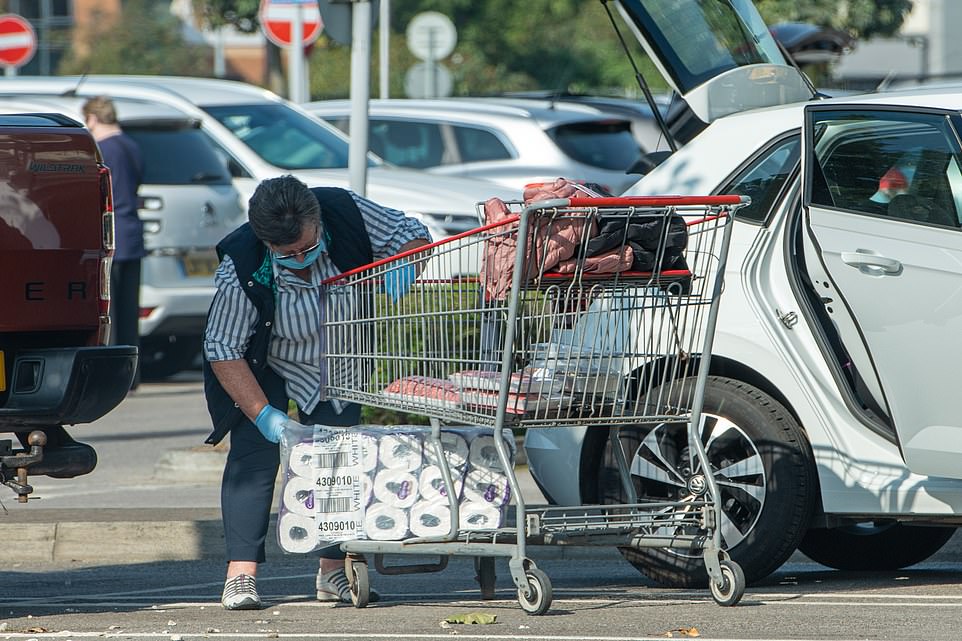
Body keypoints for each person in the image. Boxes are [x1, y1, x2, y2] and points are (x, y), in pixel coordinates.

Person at [203, 175, 431, 610]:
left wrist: (406, 261)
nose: (302, 260)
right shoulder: (241, 263)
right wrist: (262, 413)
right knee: (253, 458)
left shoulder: (345, 211)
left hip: (339, 355)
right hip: (264, 359)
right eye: (287, 255)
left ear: (318, 221)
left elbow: (413, 233)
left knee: (340, 458)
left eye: (309, 247)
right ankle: (241, 575)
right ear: (264, 241)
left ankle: (333, 572)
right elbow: (222, 348)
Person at [83, 96, 145, 389]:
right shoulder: (131, 145)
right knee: (129, 311)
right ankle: (133, 375)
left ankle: (117, 377)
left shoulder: (104, 149)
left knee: (112, 312)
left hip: (114, 234)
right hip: (133, 232)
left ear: (93, 119)